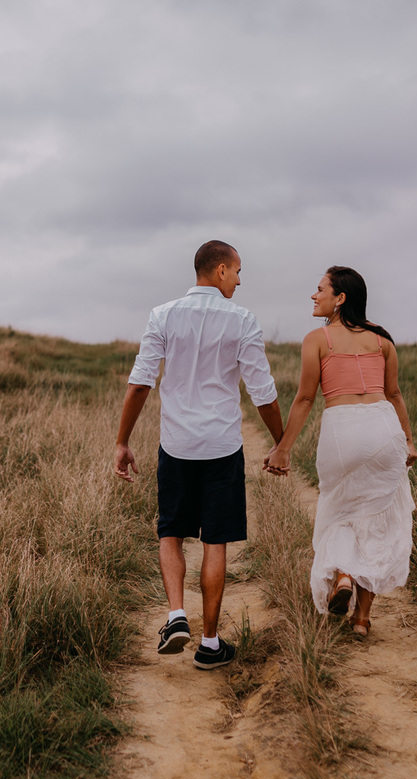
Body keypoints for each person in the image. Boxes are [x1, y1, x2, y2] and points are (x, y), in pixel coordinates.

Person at [114, 240, 285, 669]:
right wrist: (280, 442)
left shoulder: (163, 315)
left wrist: (122, 441)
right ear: (220, 269)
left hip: (177, 445)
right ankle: (209, 644)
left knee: (170, 533)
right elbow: (262, 393)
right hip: (222, 447)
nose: (240, 281)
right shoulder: (242, 320)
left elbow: (140, 383)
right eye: (238, 271)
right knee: (215, 541)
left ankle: (176, 615)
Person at [263, 266, 417, 637]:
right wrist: (409, 441)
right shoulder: (382, 339)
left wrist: (283, 449)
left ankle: (344, 574)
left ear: (340, 298)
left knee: (341, 513)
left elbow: (304, 398)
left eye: (320, 289)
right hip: (385, 429)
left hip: (342, 431)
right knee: (376, 520)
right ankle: (361, 619)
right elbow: (394, 394)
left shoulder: (318, 339)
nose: (313, 295)